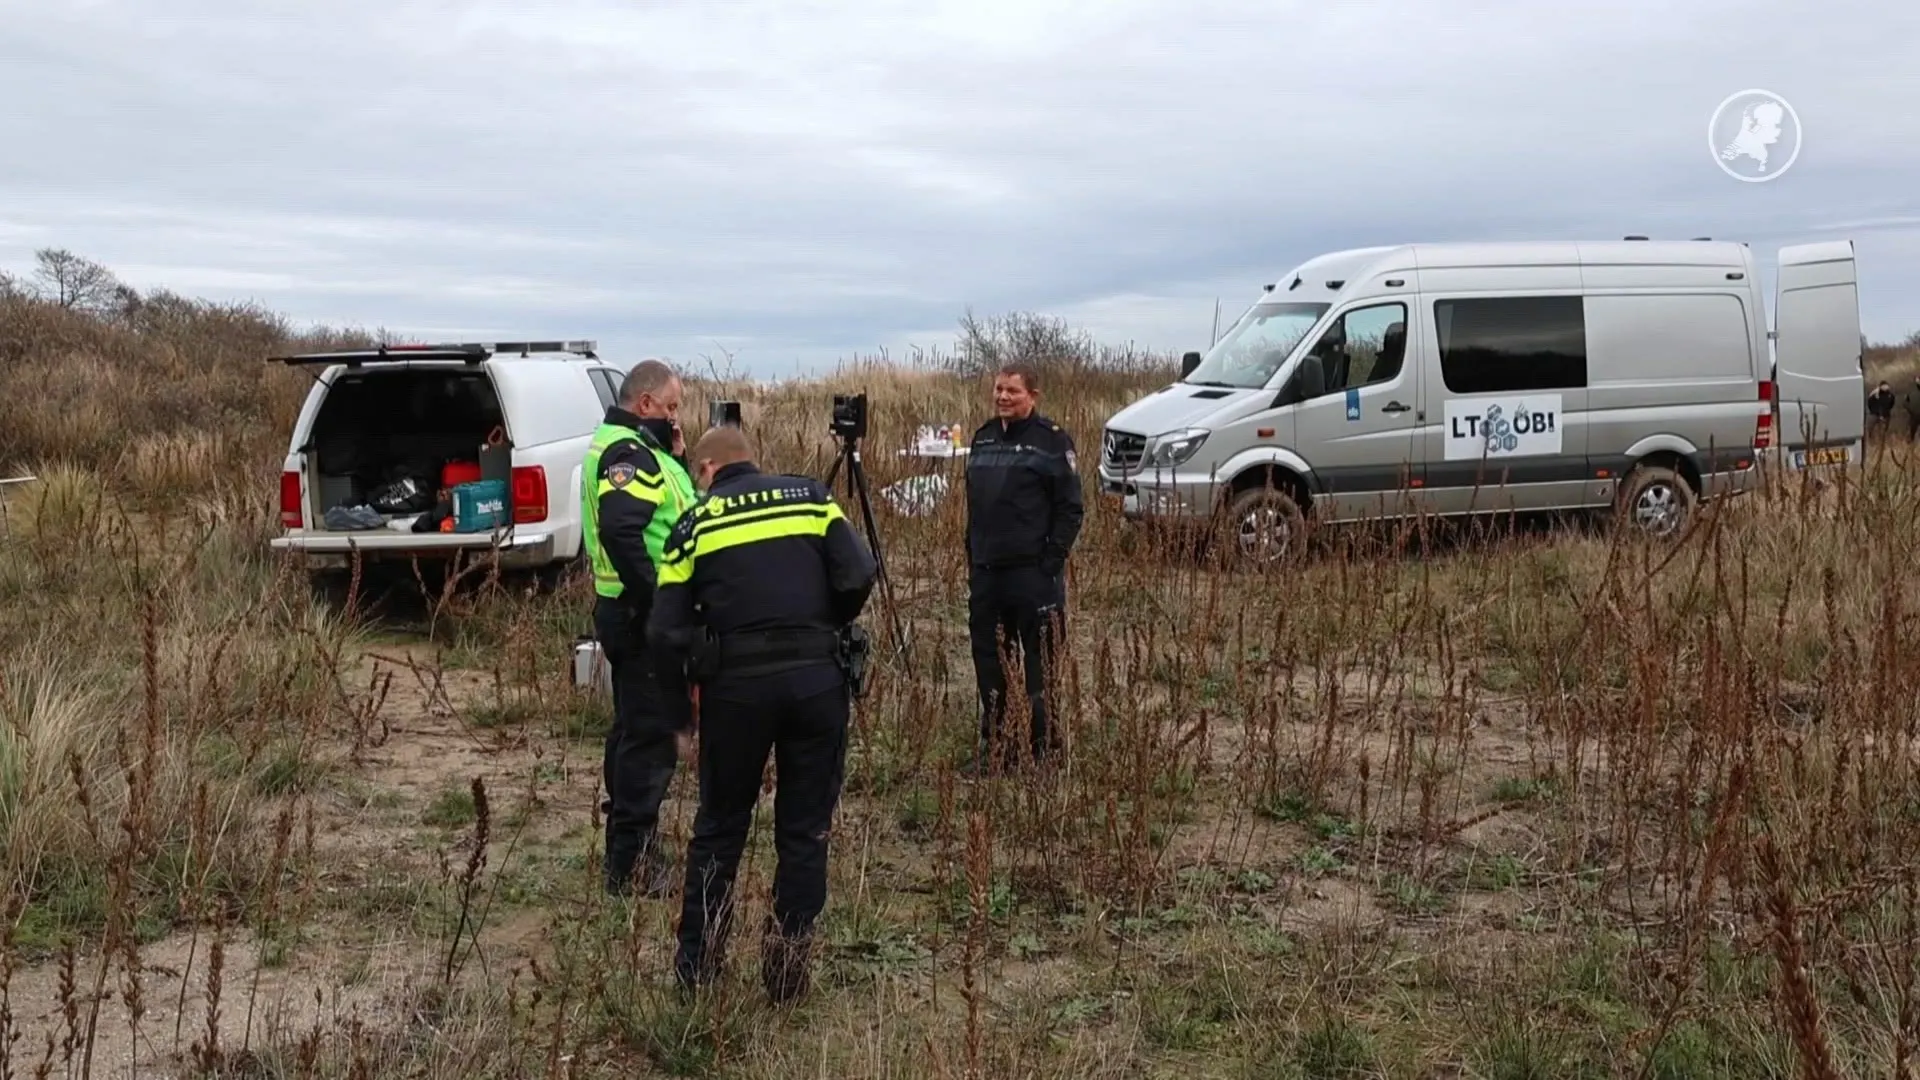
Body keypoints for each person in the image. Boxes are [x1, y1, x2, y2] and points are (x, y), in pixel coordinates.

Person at [648, 425, 876, 1004]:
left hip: (736, 690)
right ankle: (787, 976)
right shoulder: (812, 500)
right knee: (804, 832)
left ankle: (697, 974)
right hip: (817, 682)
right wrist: (822, 623)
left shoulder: (694, 522)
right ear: (753, 459)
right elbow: (858, 573)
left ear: (705, 470)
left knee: (720, 830)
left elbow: (666, 629)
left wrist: (682, 711)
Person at [581, 358, 697, 898]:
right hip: (638, 614)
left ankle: (627, 851)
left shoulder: (631, 448)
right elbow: (623, 531)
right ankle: (632, 867)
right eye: (670, 407)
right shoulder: (627, 453)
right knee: (650, 740)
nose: (676, 419)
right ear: (645, 403)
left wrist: (676, 456)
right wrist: (660, 602)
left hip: (624, 610)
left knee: (633, 732)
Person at [962, 362, 1084, 775]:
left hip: (1032, 577)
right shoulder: (982, 440)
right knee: (990, 663)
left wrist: (1050, 562)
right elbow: (974, 510)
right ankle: (998, 749)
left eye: (1012, 391)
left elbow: (1071, 509)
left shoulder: (1051, 443)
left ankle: (1043, 752)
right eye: (998, 389)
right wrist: (973, 563)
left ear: (1032, 395)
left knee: (1039, 668)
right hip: (987, 575)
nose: (1002, 397)